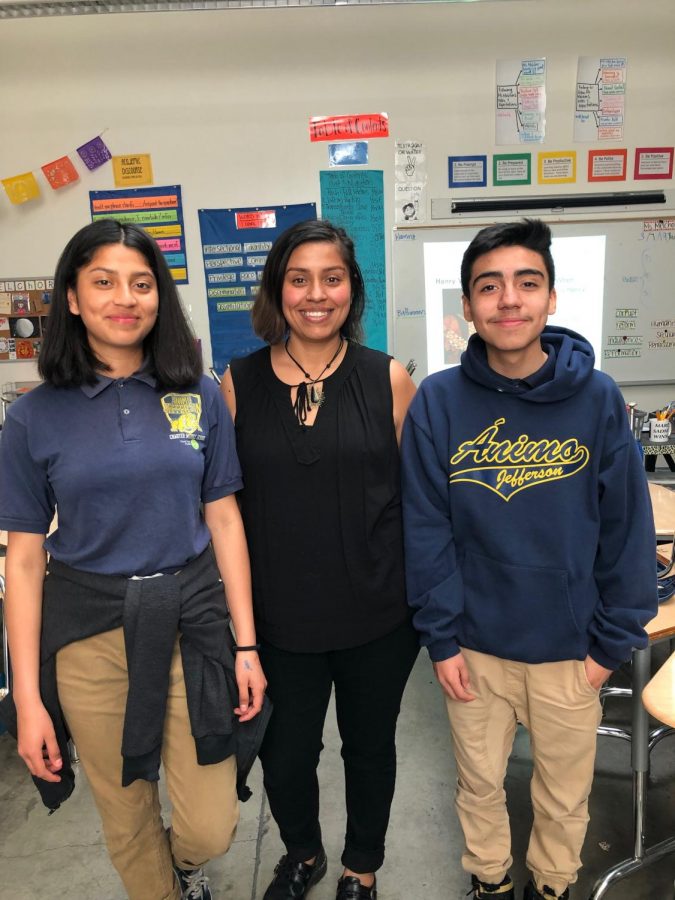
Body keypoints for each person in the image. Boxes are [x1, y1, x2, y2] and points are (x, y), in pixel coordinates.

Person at [0, 219, 267, 900]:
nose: (126, 298)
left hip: (191, 622)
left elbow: (225, 517)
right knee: (125, 815)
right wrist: (27, 700)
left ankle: (186, 865)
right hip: (89, 635)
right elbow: (25, 562)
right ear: (71, 298)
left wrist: (246, 644)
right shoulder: (34, 417)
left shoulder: (198, 391)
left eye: (142, 283)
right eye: (104, 282)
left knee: (210, 825)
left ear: (160, 297)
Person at [400, 219, 657, 900]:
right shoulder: (439, 401)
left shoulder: (597, 397)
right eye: (489, 287)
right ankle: (488, 881)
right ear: (467, 307)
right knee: (478, 785)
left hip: (569, 651)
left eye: (525, 283)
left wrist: (611, 643)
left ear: (548, 299)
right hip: (473, 650)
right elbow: (425, 527)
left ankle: (549, 885)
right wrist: (441, 637)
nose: (507, 300)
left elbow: (625, 529)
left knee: (562, 794)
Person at [221, 219, 419, 900]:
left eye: (330, 278)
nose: (315, 294)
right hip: (278, 625)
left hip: (378, 617)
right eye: (298, 278)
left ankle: (360, 867)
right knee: (285, 755)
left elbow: (417, 501)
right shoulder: (236, 382)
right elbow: (222, 508)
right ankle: (301, 852)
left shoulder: (387, 378)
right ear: (277, 289)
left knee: (368, 750)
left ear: (350, 288)